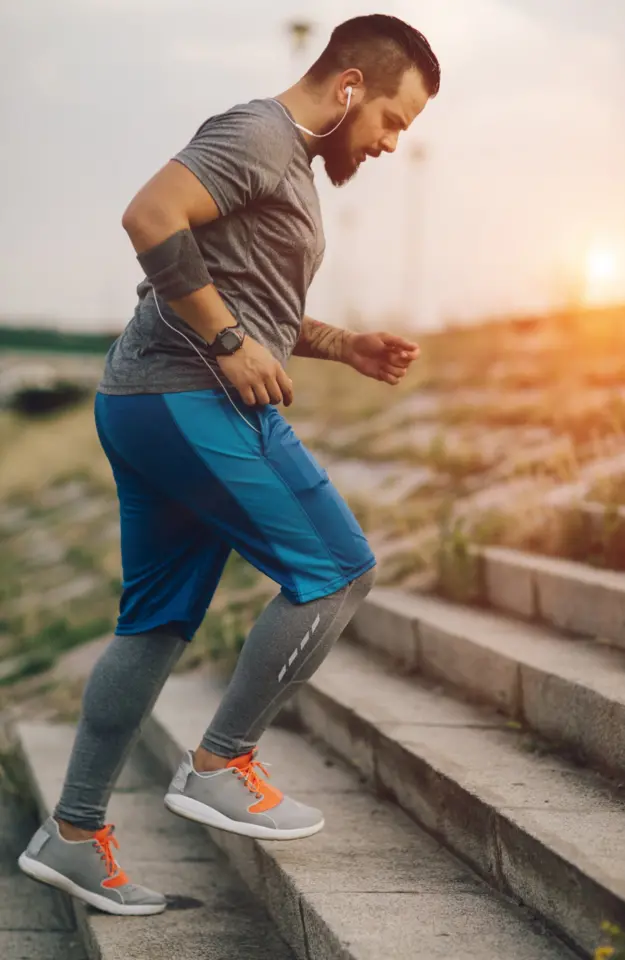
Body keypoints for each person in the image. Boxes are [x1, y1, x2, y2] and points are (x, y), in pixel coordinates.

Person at [19, 13, 440, 915]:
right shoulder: (257, 133)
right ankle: (220, 763)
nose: (392, 145)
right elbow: (149, 215)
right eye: (394, 123)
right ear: (351, 87)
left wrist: (342, 344)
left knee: (158, 623)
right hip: (189, 397)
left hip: (150, 400)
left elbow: (256, 301)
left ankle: (76, 832)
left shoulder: (290, 165)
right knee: (335, 572)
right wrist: (231, 340)